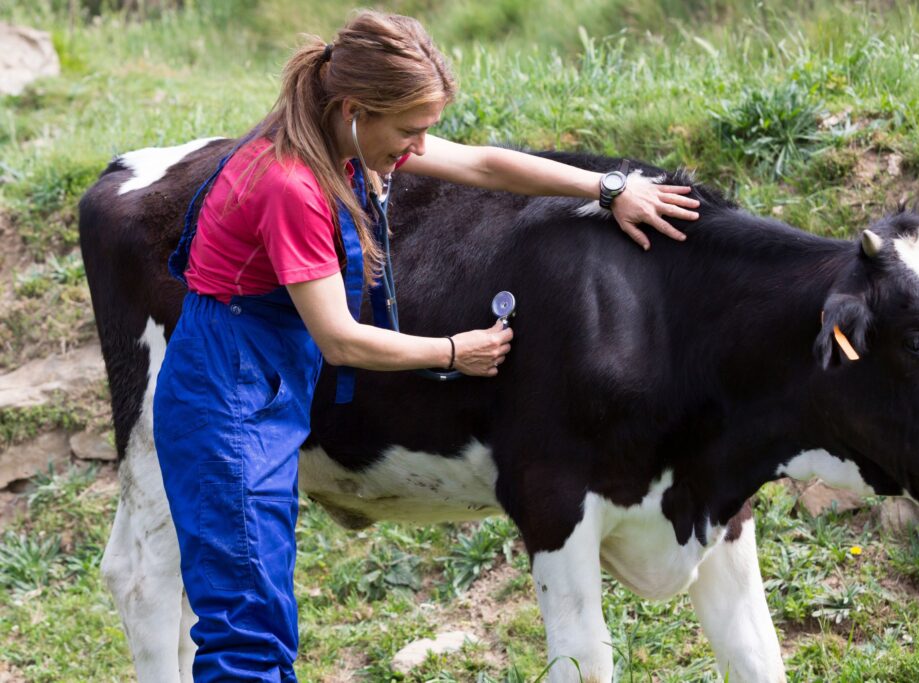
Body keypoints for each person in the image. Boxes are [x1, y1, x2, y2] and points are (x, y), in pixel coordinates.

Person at [152, 9, 700, 682]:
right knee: (247, 628)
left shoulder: (334, 136)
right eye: (409, 130)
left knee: (261, 608)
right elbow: (340, 338)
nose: (418, 147)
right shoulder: (290, 184)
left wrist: (608, 186)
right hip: (227, 393)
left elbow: (483, 163)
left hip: (261, 382)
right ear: (355, 107)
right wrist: (453, 351)